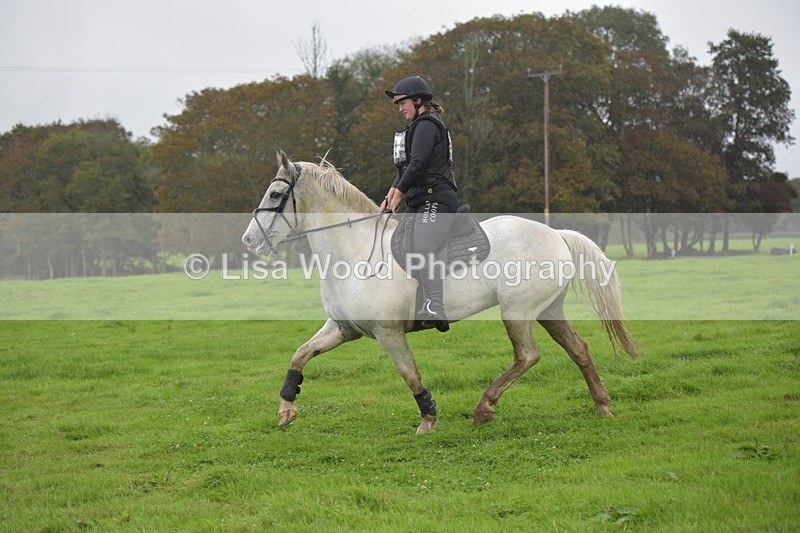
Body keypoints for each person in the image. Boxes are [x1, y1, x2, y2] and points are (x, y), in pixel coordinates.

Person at [381, 76, 458, 332]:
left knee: (423, 245)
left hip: (436, 198)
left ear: (417, 100)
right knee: (398, 242)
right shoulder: (415, 127)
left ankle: (435, 305)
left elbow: (418, 164)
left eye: (402, 102)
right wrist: (392, 193)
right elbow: (404, 167)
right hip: (421, 199)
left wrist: (400, 192)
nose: (400, 108)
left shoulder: (427, 125)